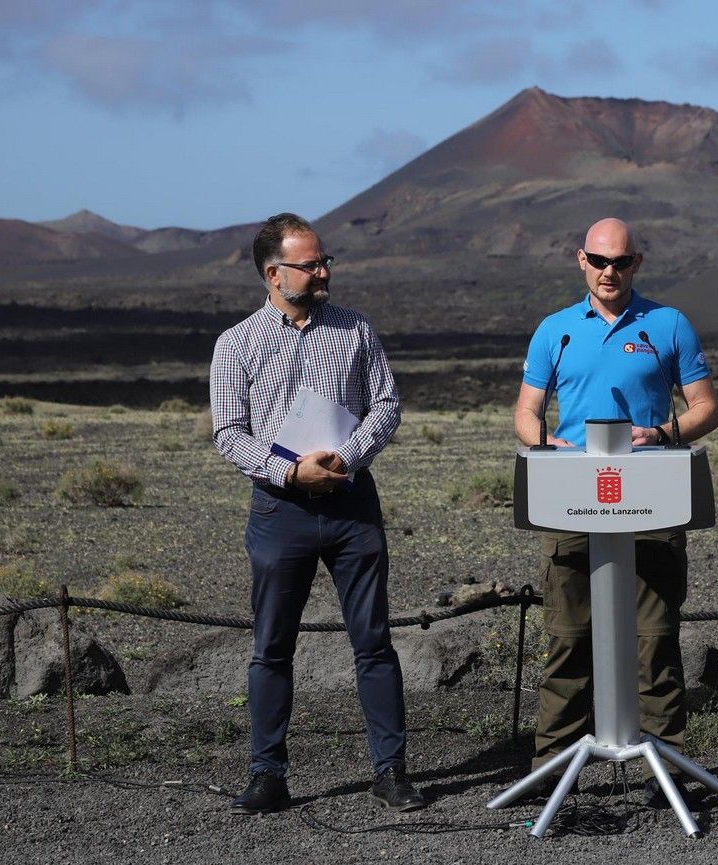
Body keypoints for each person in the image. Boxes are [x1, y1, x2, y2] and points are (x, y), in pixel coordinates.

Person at [210, 213, 425, 815]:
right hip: (281, 510)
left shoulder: (356, 331)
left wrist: (347, 456)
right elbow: (229, 431)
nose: (324, 271)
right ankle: (267, 774)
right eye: (311, 265)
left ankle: (390, 771)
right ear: (274, 274)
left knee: (373, 642)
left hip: (352, 504)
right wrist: (288, 471)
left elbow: (387, 404)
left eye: (326, 261)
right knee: (271, 646)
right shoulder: (236, 344)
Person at [514, 217, 718, 806]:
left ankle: (666, 767)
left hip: (650, 499)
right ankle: (553, 766)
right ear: (580, 259)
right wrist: (539, 443)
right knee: (567, 636)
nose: (610, 272)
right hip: (571, 498)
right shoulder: (555, 330)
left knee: (654, 637)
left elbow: (706, 407)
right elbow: (527, 409)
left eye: (621, 261)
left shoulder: (668, 324)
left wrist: (664, 430)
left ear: (638, 263)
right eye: (599, 260)